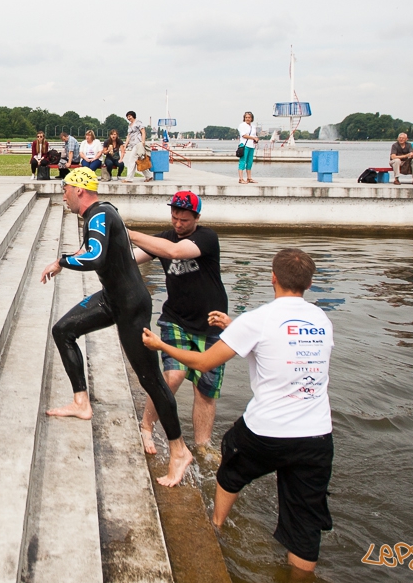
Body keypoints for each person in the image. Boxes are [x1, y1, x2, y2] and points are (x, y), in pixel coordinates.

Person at [143, 248, 334, 581]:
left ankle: (217, 525)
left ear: (272, 277)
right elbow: (281, 342)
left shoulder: (258, 319)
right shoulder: (321, 319)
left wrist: (162, 347)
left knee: (230, 468)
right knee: (305, 527)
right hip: (317, 437)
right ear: (310, 283)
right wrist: (235, 327)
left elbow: (204, 363)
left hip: (267, 431)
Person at [42, 168, 193, 487]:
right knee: (63, 330)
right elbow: (96, 250)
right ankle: (81, 402)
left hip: (130, 306)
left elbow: (95, 257)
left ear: (80, 191)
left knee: (150, 378)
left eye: (66, 190)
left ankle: (180, 451)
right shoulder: (103, 213)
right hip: (114, 298)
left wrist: (62, 261)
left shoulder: (97, 215)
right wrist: (64, 261)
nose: (64, 195)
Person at [128, 190, 229, 452]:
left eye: (184, 219)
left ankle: (202, 446)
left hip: (212, 325)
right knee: (173, 376)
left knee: (205, 392)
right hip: (176, 319)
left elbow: (174, 252)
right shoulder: (165, 237)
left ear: (196, 217)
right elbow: (132, 260)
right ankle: (146, 427)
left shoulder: (207, 238)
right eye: (174, 217)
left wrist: (129, 232)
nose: (177, 224)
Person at [237, 111, 259, 184]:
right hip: (244, 145)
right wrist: (253, 138)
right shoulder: (242, 125)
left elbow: (254, 135)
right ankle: (241, 178)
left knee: (249, 162)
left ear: (251, 118)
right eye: (246, 117)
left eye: (249, 117)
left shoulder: (253, 126)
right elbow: (244, 135)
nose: (247, 119)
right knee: (242, 161)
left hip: (251, 146)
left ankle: (249, 178)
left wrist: (256, 139)